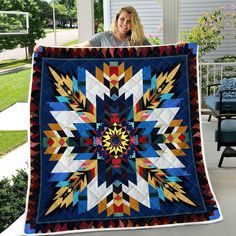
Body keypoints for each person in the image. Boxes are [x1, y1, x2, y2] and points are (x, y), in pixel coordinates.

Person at [77, 6, 151, 47]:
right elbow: (79, 48)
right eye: (122, 19)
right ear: (116, 20)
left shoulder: (139, 39)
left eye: (129, 21)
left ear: (134, 24)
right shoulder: (103, 37)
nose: (125, 23)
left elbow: (156, 53)